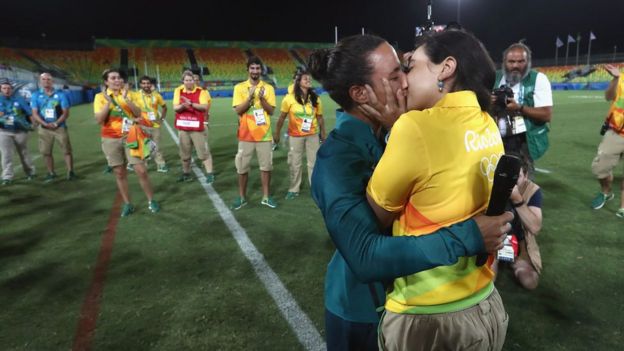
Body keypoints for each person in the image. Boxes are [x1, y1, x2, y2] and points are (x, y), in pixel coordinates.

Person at [309, 34, 512, 351]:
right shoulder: (337, 158)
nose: (405, 82)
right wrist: (469, 236)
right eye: (394, 75)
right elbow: (364, 256)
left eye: (406, 69)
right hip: (361, 310)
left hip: (416, 307)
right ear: (360, 93)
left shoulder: (404, 132)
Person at [366, 30, 507, 350]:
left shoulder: (416, 127)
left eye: (411, 67)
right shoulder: (486, 121)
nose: (403, 81)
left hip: (430, 317)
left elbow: (374, 217)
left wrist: (391, 129)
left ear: (446, 68)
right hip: (486, 304)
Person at [94, 68, 160, 216]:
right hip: (110, 138)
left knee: (141, 171)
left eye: (119, 77)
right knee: (119, 173)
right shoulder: (100, 97)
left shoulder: (132, 94)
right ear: (106, 82)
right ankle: (127, 203)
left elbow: (138, 114)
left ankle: (151, 200)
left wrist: (126, 99)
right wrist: (108, 102)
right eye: (113, 78)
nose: (117, 80)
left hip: (130, 136)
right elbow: (99, 120)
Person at [493, 42, 553, 174]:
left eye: (521, 61)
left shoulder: (538, 79)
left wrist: (519, 107)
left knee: (523, 181)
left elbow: (546, 114)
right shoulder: (495, 77)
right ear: (504, 62)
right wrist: (488, 101)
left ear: (528, 62)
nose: (515, 65)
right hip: (495, 137)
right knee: (494, 177)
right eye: (511, 61)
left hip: (523, 140)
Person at [231, 56, 277, 209]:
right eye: (252, 68)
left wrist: (262, 99)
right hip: (245, 134)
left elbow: (271, 111)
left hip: (264, 134)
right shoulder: (239, 87)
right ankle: (242, 197)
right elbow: (238, 110)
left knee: (266, 167)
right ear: (248, 70)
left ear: (261, 70)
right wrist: (250, 97)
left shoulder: (268, 88)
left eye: (258, 68)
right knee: (242, 167)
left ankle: (266, 196)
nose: (255, 71)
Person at [273, 69, 326, 199]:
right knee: (295, 163)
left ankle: (314, 188)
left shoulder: (315, 98)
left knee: (313, 163)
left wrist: (323, 133)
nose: (308, 80)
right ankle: (294, 189)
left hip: (312, 135)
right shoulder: (289, 99)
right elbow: (281, 117)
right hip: (295, 136)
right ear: (298, 82)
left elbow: (319, 117)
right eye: (305, 79)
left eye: (309, 79)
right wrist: (277, 133)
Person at [494, 152, 543, 290]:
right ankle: (495, 260)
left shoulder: (532, 190)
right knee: (488, 280)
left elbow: (535, 228)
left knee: (529, 281)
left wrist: (517, 199)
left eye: (518, 177)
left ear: (526, 176)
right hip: (495, 239)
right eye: (509, 177)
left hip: (520, 242)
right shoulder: (494, 187)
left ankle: (516, 260)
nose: (512, 182)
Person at [590, 64, 624, 215]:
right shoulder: (621, 79)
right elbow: (608, 97)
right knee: (600, 168)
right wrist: (616, 78)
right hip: (616, 132)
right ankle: (606, 191)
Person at [30, 72, 76, 182]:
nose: (46, 81)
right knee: (46, 152)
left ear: (52, 81)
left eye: (48, 79)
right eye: (44, 79)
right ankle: (51, 173)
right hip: (44, 128)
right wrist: (44, 123)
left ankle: (70, 171)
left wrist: (56, 123)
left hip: (60, 127)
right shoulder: (35, 95)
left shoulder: (61, 94)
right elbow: (34, 113)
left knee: (66, 150)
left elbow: (66, 113)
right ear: (40, 81)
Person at [172, 71, 214, 183]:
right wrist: (183, 106)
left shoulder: (201, 91)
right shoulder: (178, 90)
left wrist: (191, 104)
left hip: (197, 127)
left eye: (190, 80)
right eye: (186, 80)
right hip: (183, 127)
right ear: (183, 81)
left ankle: (210, 174)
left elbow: (204, 107)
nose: (189, 82)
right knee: (184, 153)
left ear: (194, 81)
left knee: (203, 152)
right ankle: (186, 173)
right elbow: (175, 108)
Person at [0, 79, 35, 185]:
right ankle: (7, 177)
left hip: (20, 130)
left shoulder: (19, 99)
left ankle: (30, 172)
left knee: (23, 152)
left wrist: (33, 124)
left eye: (8, 88)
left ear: (12, 89)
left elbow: (29, 113)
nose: (7, 90)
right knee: (6, 154)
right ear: (1, 90)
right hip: (4, 131)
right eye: (4, 88)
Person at [133, 75, 169, 173]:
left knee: (157, 146)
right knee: (143, 146)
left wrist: (162, 119)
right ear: (140, 84)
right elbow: (131, 109)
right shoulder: (136, 95)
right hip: (142, 125)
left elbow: (165, 107)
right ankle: (144, 165)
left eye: (148, 83)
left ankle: (161, 165)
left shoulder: (156, 95)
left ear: (151, 84)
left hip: (155, 126)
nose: (146, 85)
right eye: (144, 83)